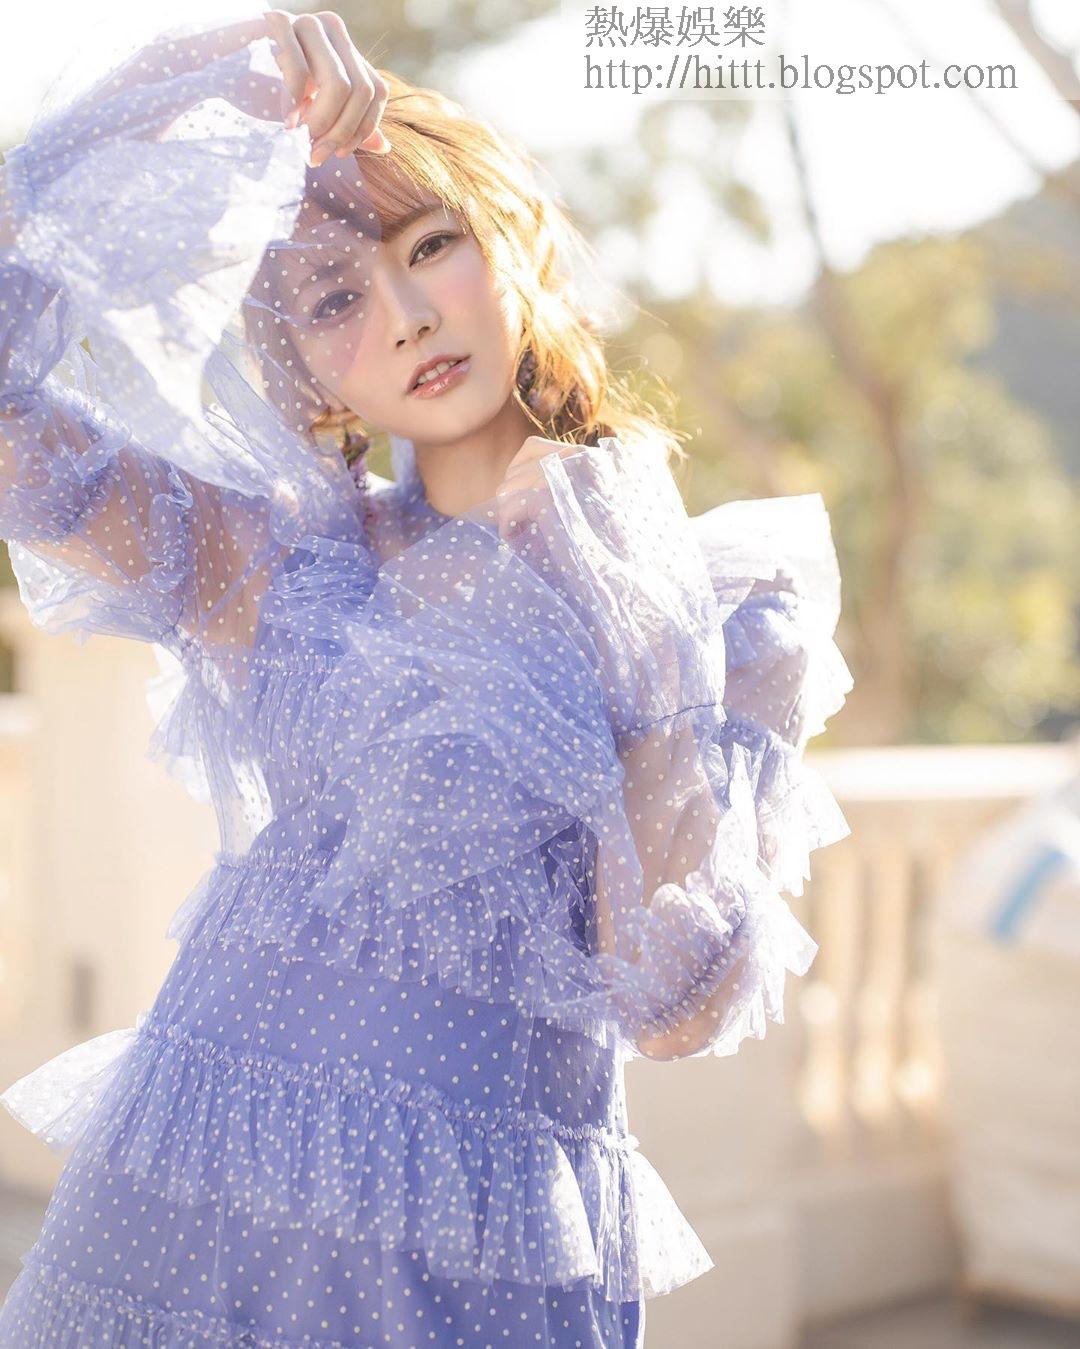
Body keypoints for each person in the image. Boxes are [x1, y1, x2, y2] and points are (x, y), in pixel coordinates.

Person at [0, 8, 854, 1346]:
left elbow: (677, 1007)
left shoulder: (727, 600)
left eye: (429, 245)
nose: (404, 316)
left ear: (508, 241)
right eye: (335, 295)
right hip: (183, 1226)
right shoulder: (278, 560)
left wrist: (641, 631)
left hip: (466, 1270)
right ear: (303, 361)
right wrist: (207, 76)